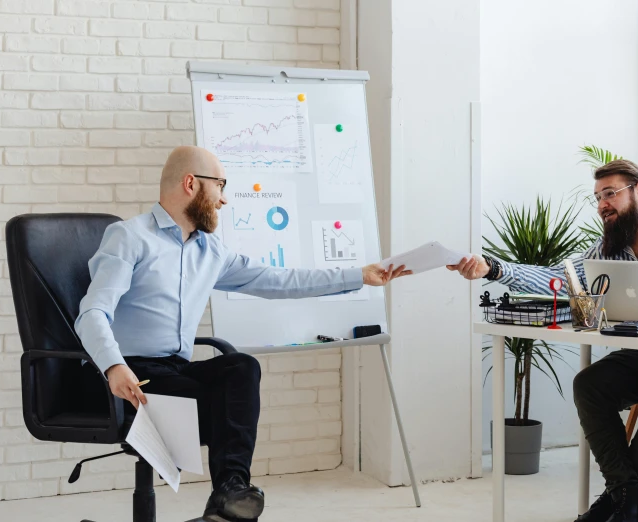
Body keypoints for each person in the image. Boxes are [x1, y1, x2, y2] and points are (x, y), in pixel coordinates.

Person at [75, 146, 410, 522]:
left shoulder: (210, 251)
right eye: (219, 185)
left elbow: (279, 280)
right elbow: (92, 313)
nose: (224, 198)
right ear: (191, 183)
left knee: (240, 367)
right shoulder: (129, 237)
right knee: (219, 399)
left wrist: (358, 275)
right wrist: (114, 366)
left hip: (174, 371)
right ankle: (228, 509)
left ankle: (230, 494)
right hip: (129, 375)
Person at [447, 160, 638, 522]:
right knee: (590, 384)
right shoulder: (607, 249)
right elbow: (561, 279)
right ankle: (627, 502)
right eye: (598, 197)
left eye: (610, 194)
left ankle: (616, 502)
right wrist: (495, 269)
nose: (602, 204)